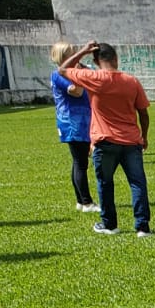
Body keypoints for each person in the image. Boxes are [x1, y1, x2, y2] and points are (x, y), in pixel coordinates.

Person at [58, 42, 152, 237]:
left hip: (104, 140)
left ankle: (110, 224)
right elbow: (143, 112)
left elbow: (63, 69)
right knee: (137, 183)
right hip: (131, 141)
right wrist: (144, 135)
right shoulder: (131, 81)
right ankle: (142, 227)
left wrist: (82, 51)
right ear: (116, 58)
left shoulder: (94, 78)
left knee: (105, 183)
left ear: (95, 60)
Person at [49, 42, 95, 214]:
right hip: (71, 122)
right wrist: (82, 75)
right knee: (80, 162)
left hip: (82, 120)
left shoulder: (73, 72)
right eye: (72, 53)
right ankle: (86, 202)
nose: (75, 55)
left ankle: (80, 200)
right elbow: (77, 91)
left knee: (79, 161)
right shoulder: (57, 75)